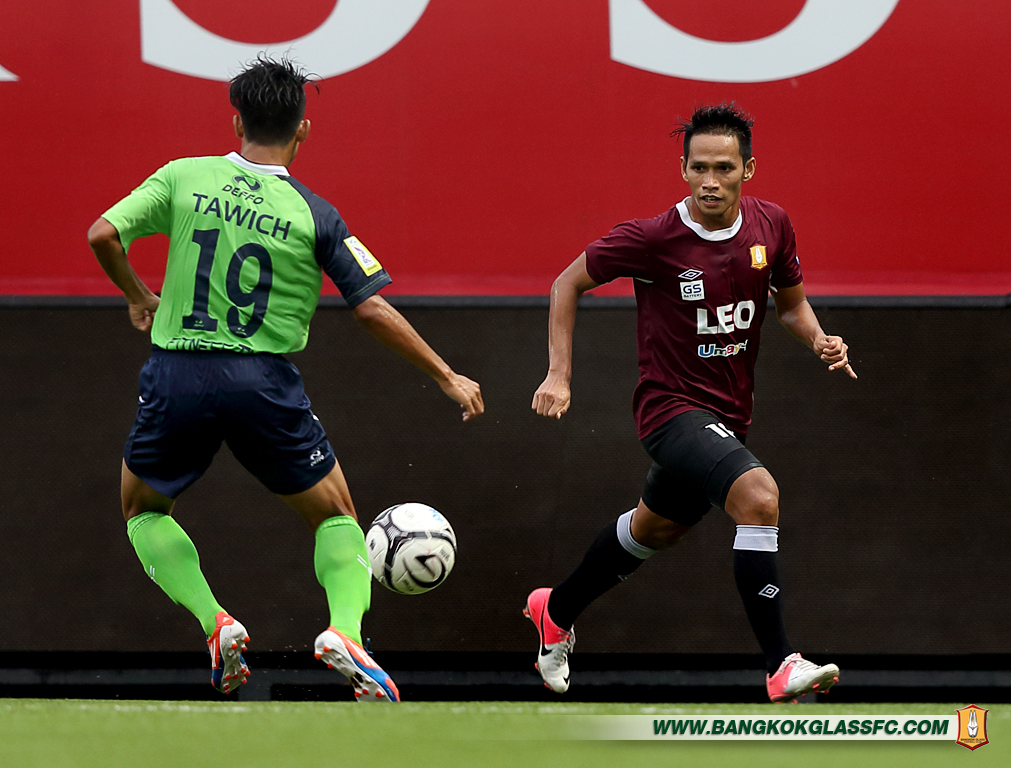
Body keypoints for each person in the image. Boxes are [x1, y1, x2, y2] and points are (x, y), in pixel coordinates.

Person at [88, 56, 483, 702]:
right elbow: (371, 308)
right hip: (262, 383)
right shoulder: (316, 214)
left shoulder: (184, 176)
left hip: (178, 372)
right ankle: (346, 631)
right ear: (303, 130)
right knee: (336, 515)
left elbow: (103, 234)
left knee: (143, 509)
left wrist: (138, 294)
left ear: (236, 121)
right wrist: (445, 374)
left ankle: (215, 620)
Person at [525, 103, 855, 703]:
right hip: (669, 410)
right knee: (759, 498)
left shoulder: (772, 225)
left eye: (723, 168)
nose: (710, 181)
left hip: (728, 417)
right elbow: (565, 282)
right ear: (682, 170)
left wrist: (819, 339)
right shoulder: (652, 238)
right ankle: (781, 664)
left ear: (747, 169)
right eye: (698, 168)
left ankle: (557, 610)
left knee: (654, 530)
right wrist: (558, 374)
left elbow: (791, 306)